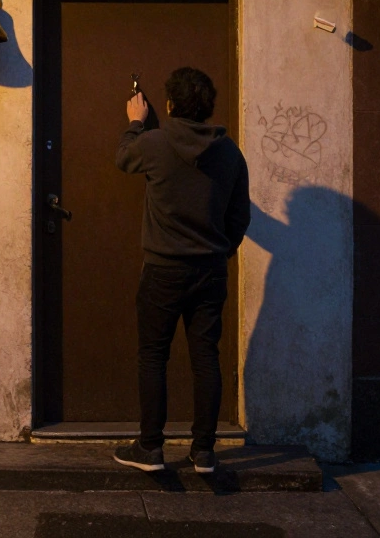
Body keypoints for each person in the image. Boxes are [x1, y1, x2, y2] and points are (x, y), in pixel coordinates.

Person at [111, 67, 250, 474]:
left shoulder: (154, 143)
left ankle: (151, 448)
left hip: (163, 270)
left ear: (170, 105)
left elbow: (123, 158)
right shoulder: (230, 152)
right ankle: (204, 451)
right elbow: (240, 216)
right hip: (211, 271)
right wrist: (221, 252)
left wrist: (135, 122)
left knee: (154, 356)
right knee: (206, 357)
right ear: (208, 107)